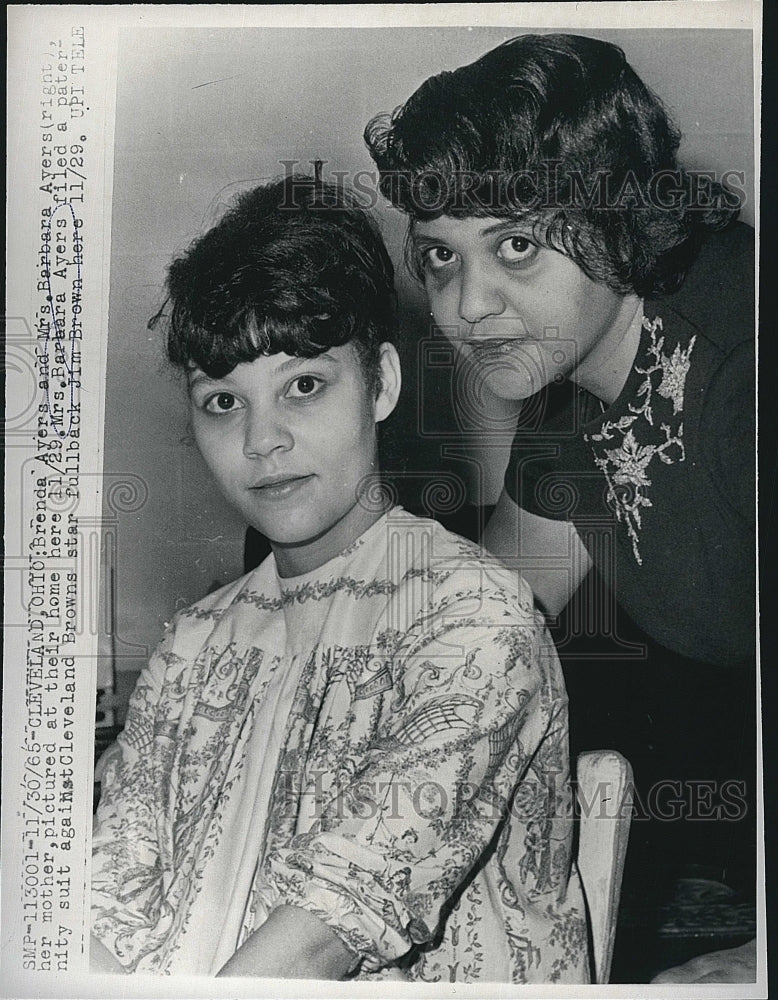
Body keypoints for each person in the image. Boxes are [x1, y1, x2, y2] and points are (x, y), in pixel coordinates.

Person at [90, 176, 589, 982]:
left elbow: (337, 915)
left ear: (382, 384)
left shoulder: (475, 616)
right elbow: (108, 903)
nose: (262, 441)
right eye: (222, 402)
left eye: (304, 386)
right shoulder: (191, 643)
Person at [365, 33, 756, 982]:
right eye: (441, 258)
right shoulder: (574, 396)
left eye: (515, 246)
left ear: (616, 215)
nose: (466, 308)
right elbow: (486, 623)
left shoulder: (743, 349)